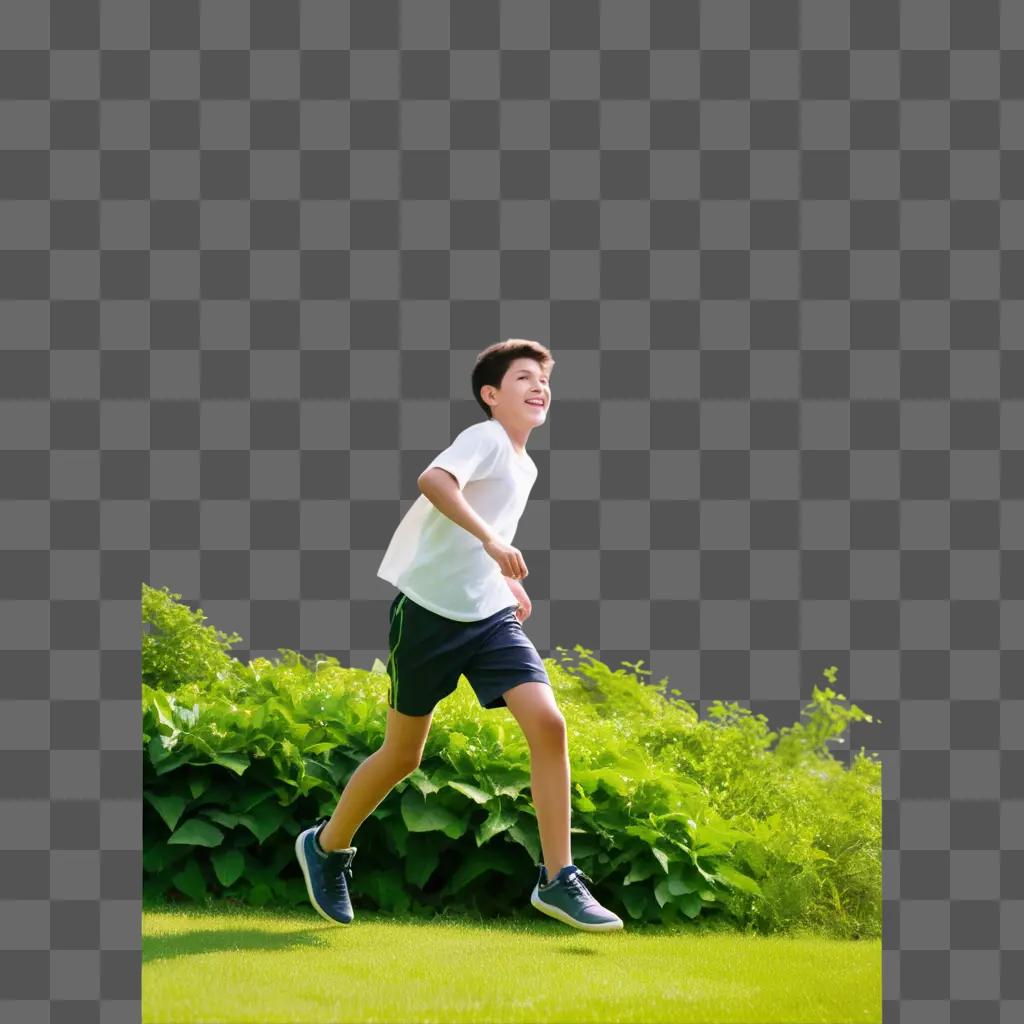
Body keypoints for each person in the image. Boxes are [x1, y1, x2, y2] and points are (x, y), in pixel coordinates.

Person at [295, 339, 623, 931]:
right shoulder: (485, 438)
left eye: (544, 379)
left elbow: (485, 529)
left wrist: (503, 576)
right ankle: (325, 848)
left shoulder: (525, 464)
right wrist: (496, 545)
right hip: (426, 613)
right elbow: (434, 480)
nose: (538, 387)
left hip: (487, 614)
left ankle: (558, 879)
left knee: (549, 725)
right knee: (402, 755)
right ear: (491, 396)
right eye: (523, 378)